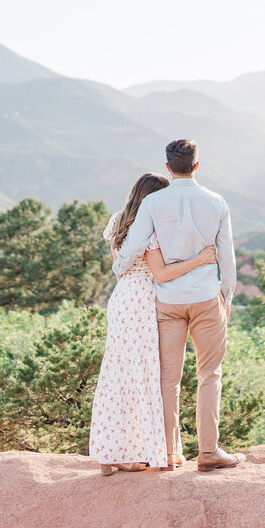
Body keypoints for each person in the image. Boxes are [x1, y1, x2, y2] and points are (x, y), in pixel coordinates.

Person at [112, 139, 243, 472]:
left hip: (168, 300)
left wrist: (118, 267)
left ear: (168, 167)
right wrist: (226, 297)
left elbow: (134, 245)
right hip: (204, 297)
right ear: (197, 166)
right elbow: (226, 257)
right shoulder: (217, 202)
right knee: (209, 375)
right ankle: (209, 452)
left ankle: (168, 454)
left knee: (168, 378)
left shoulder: (153, 203)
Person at [88, 172, 217, 475]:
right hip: (144, 302)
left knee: (118, 375)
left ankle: (111, 453)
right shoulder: (149, 229)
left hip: (121, 298)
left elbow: (119, 268)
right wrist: (200, 260)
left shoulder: (119, 221)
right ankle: (131, 452)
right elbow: (160, 273)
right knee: (144, 377)